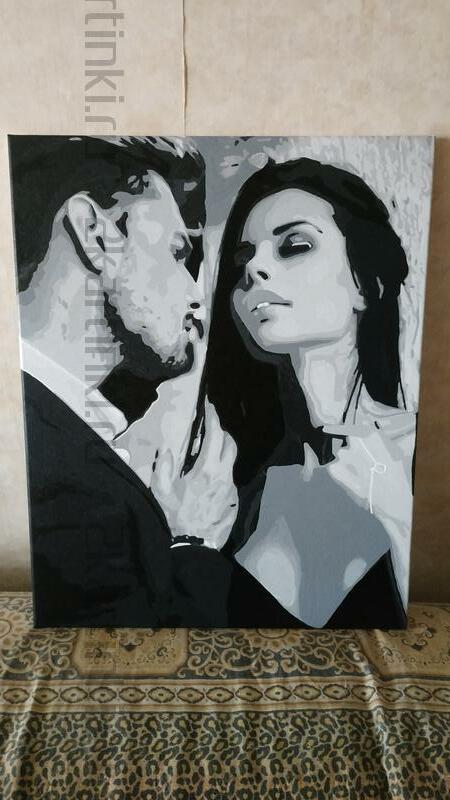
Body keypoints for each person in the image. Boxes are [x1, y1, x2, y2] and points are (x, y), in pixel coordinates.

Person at [10, 135, 239, 627]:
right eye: (178, 254)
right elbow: (132, 661)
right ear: (95, 234)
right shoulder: (60, 476)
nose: (196, 295)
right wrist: (193, 544)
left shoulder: (50, 427)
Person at [206, 156, 416, 628]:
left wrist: (399, 517)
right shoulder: (232, 476)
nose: (254, 267)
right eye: (243, 257)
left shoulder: (422, 456)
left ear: (365, 284)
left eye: (294, 245)